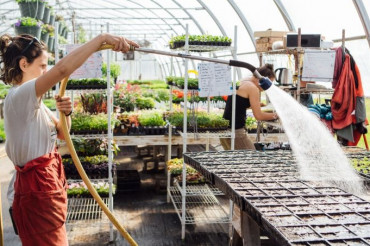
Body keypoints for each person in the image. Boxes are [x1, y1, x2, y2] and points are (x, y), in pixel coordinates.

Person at [0, 33, 139, 245]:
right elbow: (63, 70)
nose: (46, 71)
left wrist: (66, 115)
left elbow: (62, 134)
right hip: (36, 189)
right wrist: (100, 39)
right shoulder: (21, 95)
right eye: (43, 65)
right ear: (23, 64)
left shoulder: (33, 101)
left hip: (44, 185)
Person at [220, 63, 278, 151]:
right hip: (235, 132)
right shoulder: (253, 88)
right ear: (263, 79)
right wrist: (277, 115)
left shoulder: (244, 81)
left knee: (235, 162)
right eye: (269, 82)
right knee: (252, 159)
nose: (268, 86)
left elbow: (238, 103)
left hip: (224, 130)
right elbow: (258, 116)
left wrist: (255, 105)